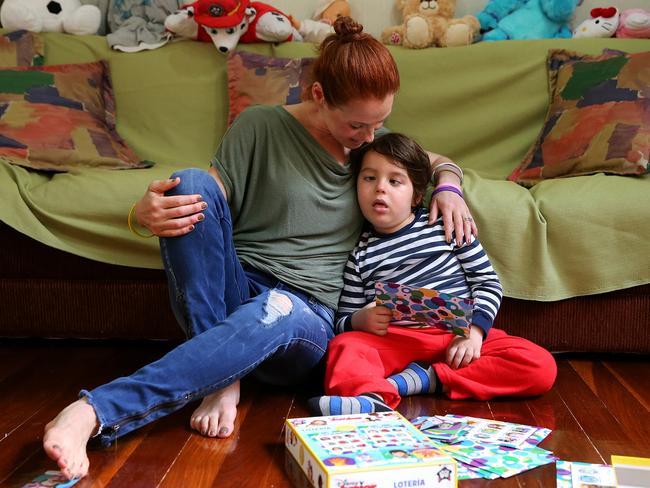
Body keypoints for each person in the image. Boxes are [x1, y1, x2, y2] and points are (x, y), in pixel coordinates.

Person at [42, 18, 475, 481]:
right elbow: (203, 202)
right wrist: (143, 214)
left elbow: (437, 162)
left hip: (305, 315)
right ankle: (224, 378)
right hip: (239, 289)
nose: (369, 137)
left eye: (379, 123)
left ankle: (94, 411)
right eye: (357, 124)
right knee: (186, 183)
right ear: (318, 96)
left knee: (278, 305)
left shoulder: (372, 151)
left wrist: (449, 186)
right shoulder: (260, 127)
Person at [309, 133, 557, 416]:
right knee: (344, 347)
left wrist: (475, 333)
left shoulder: (447, 226)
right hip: (397, 340)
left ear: (416, 195)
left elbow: (487, 283)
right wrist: (359, 320)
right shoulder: (360, 254)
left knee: (539, 365)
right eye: (369, 178)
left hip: (457, 336)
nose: (380, 189)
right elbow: (343, 320)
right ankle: (370, 397)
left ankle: (426, 379)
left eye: (394, 181)